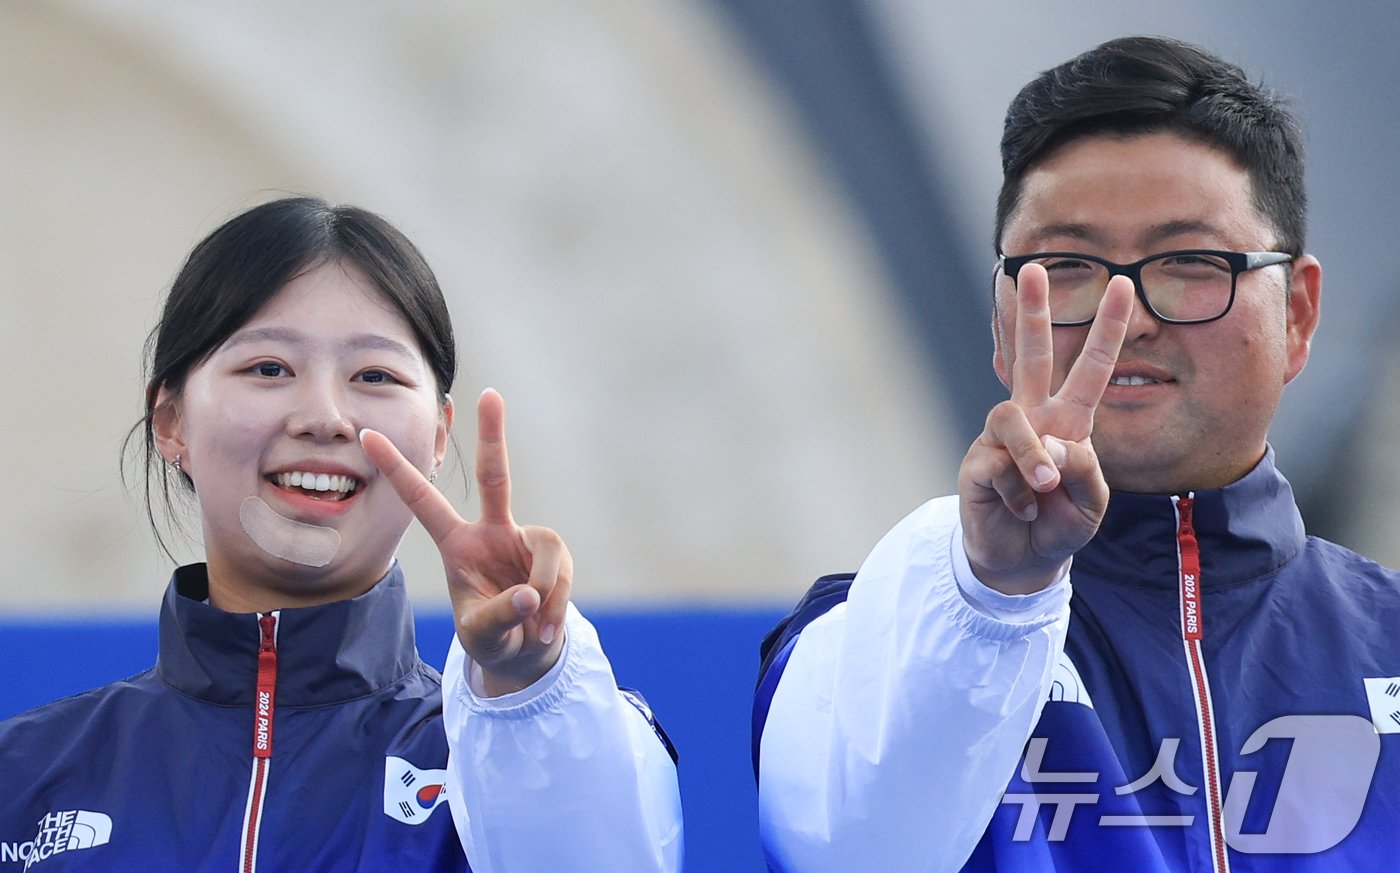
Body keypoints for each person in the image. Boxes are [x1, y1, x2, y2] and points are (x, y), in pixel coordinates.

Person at [754, 36, 1400, 872]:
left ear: (1299, 315)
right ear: (999, 321)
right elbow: (849, 852)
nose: (1121, 315)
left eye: (1189, 262)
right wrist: (998, 599)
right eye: (1065, 266)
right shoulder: (859, 640)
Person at [0, 197, 682, 872]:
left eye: (374, 376)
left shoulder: (532, 748)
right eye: (268, 368)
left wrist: (528, 691)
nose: (325, 416)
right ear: (171, 419)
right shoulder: (25, 776)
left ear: (439, 434)